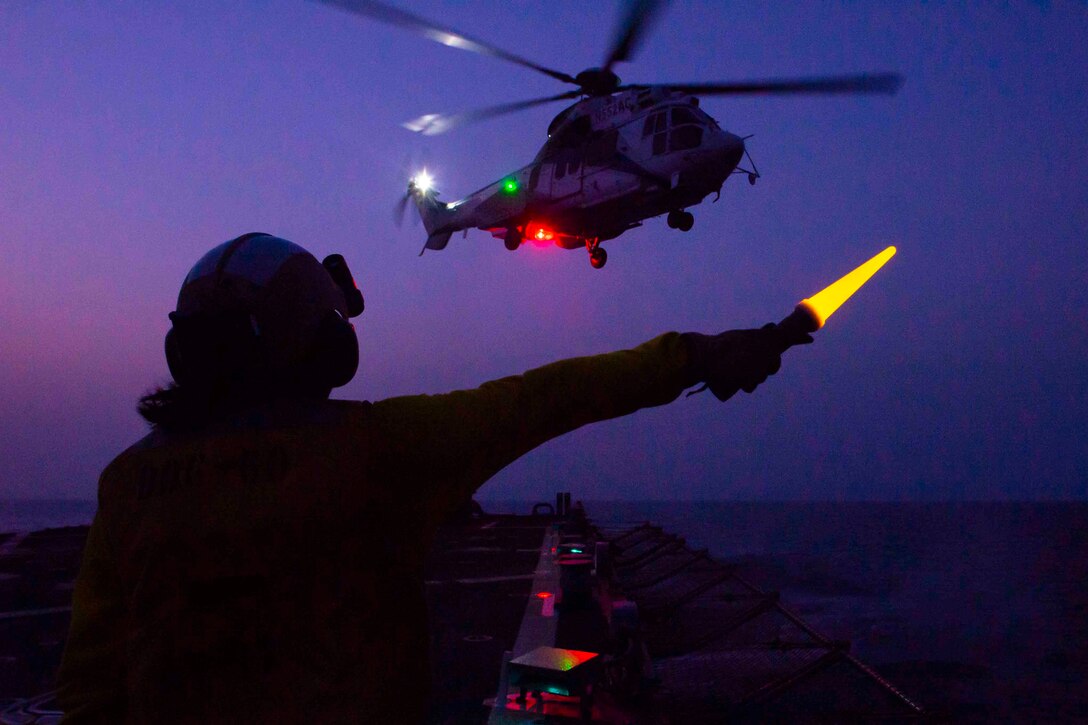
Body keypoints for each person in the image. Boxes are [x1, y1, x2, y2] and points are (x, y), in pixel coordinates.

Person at [57, 233, 809, 723]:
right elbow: (546, 397)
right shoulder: (377, 449)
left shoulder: (129, 482)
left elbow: (90, 687)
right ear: (321, 346)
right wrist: (695, 356)